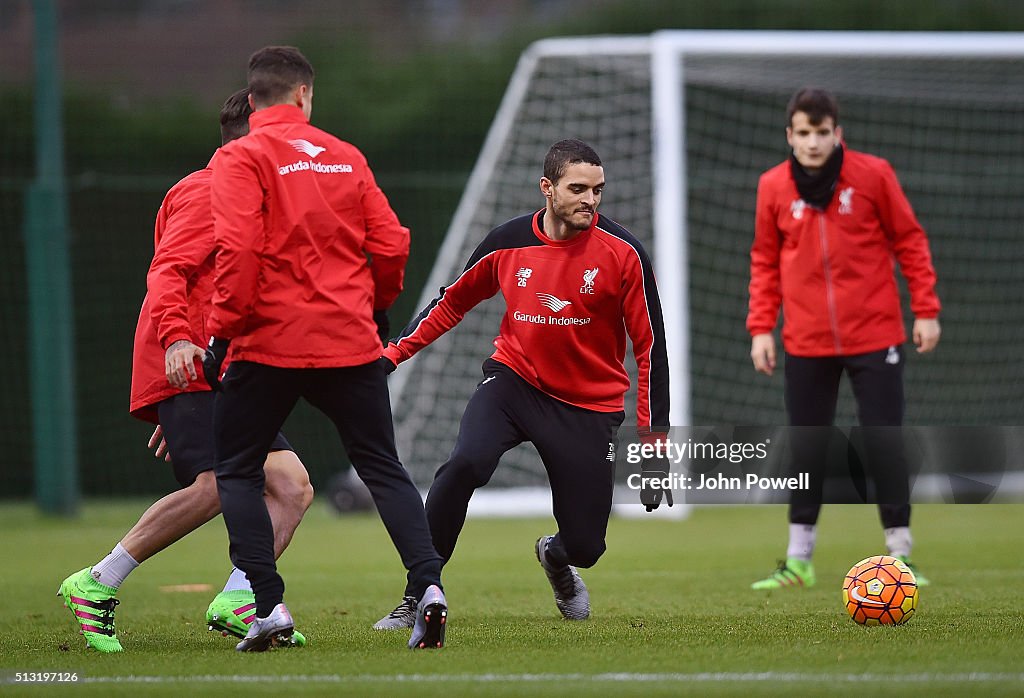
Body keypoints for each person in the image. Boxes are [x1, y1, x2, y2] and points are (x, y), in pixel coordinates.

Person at [202, 46, 446, 652]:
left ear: (253, 99)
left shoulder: (240, 156)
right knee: (383, 466)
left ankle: (267, 606)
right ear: (305, 94)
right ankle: (429, 589)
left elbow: (239, 250)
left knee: (236, 469)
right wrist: (378, 309)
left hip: (269, 343)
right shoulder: (345, 155)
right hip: (349, 340)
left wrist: (221, 333)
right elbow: (391, 243)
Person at [372, 138, 670, 629]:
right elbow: (451, 302)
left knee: (587, 547)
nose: (590, 200)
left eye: (598, 190)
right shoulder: (507, 242)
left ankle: (555, 556)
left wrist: (654, 444)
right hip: (513, 384)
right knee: (465, 464)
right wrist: (393, 354)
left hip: (588, 407)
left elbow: (651, 348)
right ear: (546, 188)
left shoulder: (625, 254)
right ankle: (419, 593)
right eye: (578, 189)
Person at [58, 88, 315, 654]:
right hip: (189, 358)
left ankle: (239, 597)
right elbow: (167, 272)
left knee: (291, 486)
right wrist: (176, 348)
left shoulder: (251, 196)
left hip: (221, 368)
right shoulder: (209, 191)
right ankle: (98, 582)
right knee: (219, 484)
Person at [746, 87, 941, 590]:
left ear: (838, 133)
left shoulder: (873, 175)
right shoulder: (773, 185)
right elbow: (765, 259)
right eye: (803, 133)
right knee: (807, 447)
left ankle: (901, 554)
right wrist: (761, 326)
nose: (813, 142)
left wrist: (925, 310)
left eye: (821, 132)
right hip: (806, 340)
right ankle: (798, 561)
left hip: (876, 334)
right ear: (789, 136)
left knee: (884, 442)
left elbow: (910, 239)